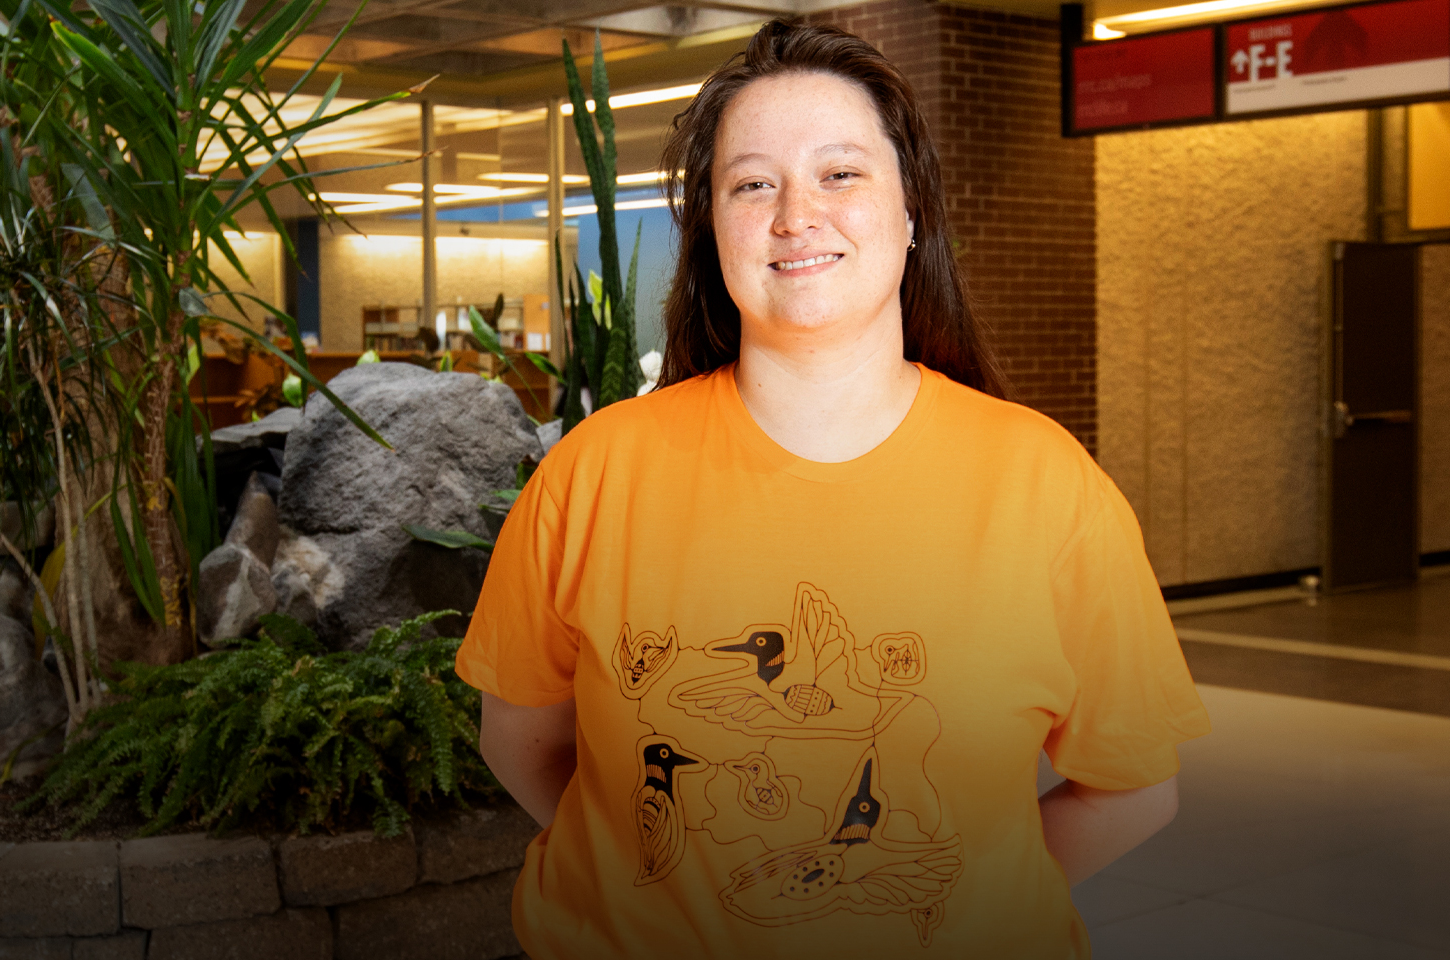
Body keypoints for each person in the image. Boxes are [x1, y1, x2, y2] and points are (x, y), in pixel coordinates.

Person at [457, 19, 1209, 959]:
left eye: (841, 173)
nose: (794, 215)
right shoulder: (594, 474)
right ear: (712, 232)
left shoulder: (1048, 488)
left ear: (910, 213)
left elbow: (1134, 786)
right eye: (752, 183)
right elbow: (522, 742)